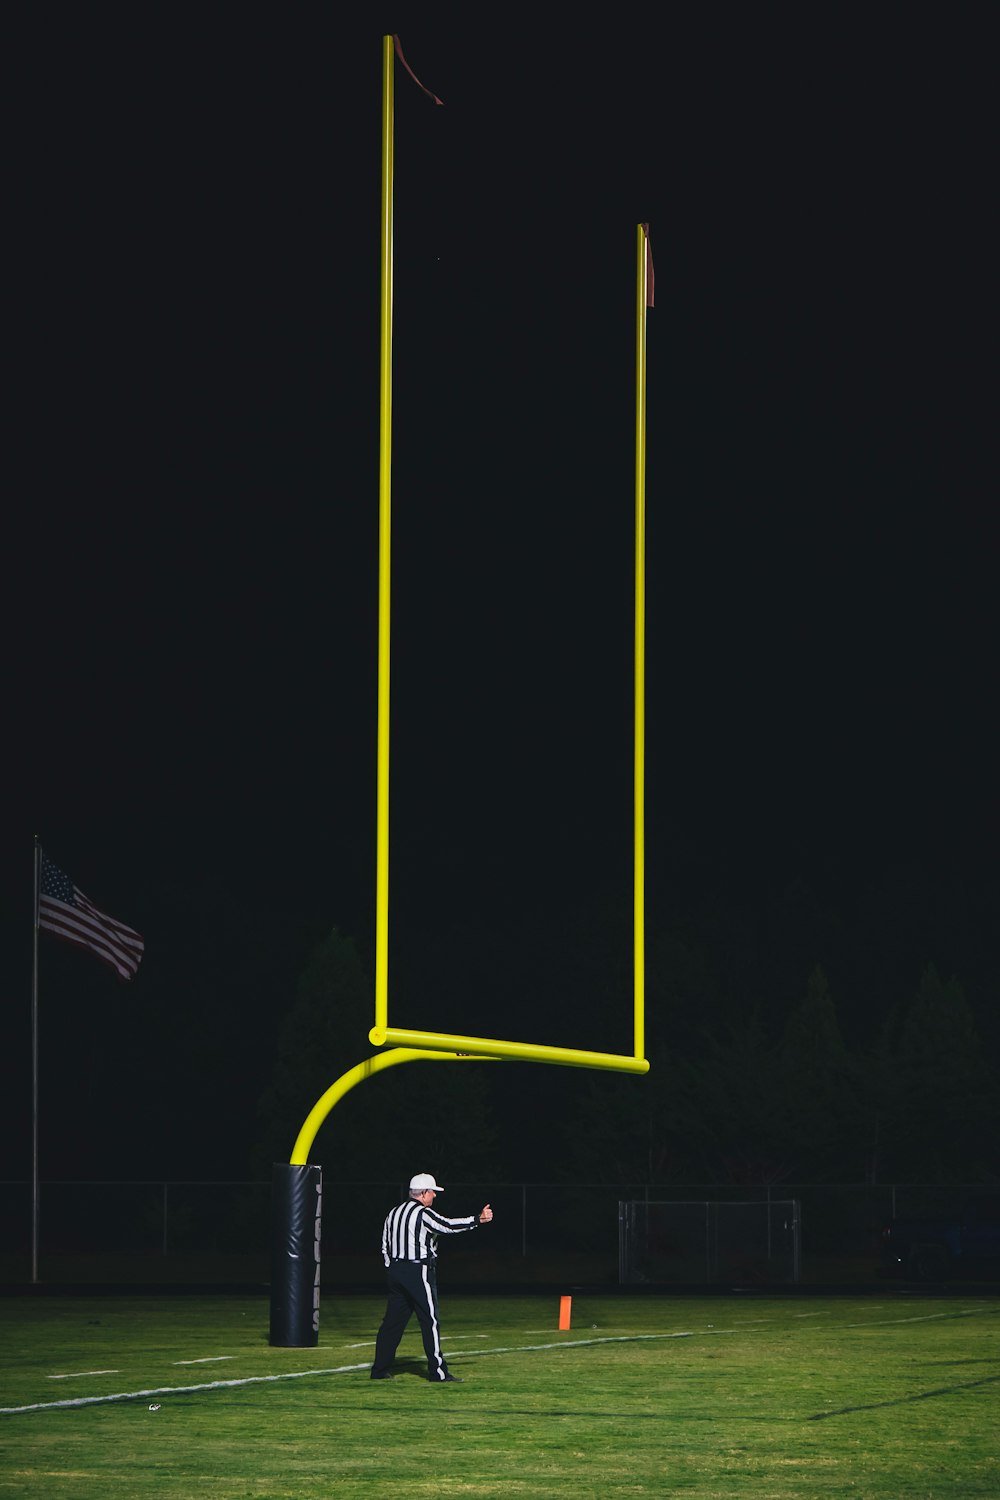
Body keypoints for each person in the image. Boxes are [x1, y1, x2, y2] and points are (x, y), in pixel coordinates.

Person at [370, 1173, 493, 1383]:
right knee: (430, 1321)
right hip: (418, 1271)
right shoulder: (422, 1213)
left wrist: (391, 1267)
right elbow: (447, 1225)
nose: (434, 1196)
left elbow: (385, 1245)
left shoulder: (393, 1213)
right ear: (424, 1193)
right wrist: (477, 1219)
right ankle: (438, 1372)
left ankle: (379, 1370)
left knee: (392, 1323)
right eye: (433, 1192)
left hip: (396, 1272)